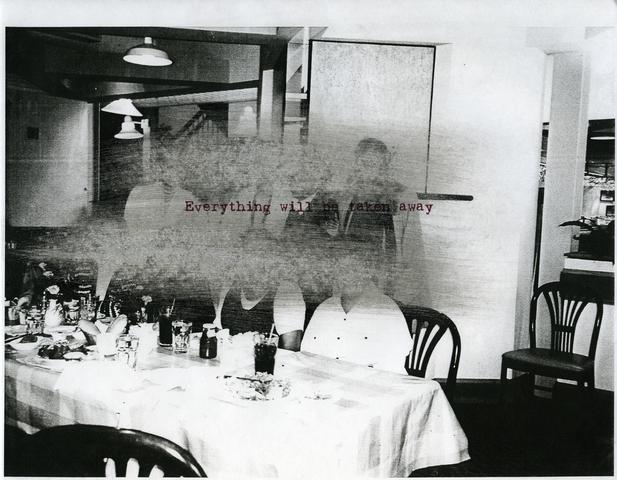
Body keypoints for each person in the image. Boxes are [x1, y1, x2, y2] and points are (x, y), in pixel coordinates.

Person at [300, 239, 412, 374]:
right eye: (341, 270)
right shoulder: (325, 308)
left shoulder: (387, 311)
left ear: (369, 272)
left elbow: (392, 367)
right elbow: (307, 355)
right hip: (323, 380)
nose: (346, 277)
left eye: (354, 269)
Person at [218, 228, 305, 351]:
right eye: (245, 257)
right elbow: (218, 337)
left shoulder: (287, 292)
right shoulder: (229, 288)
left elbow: (290, 352)